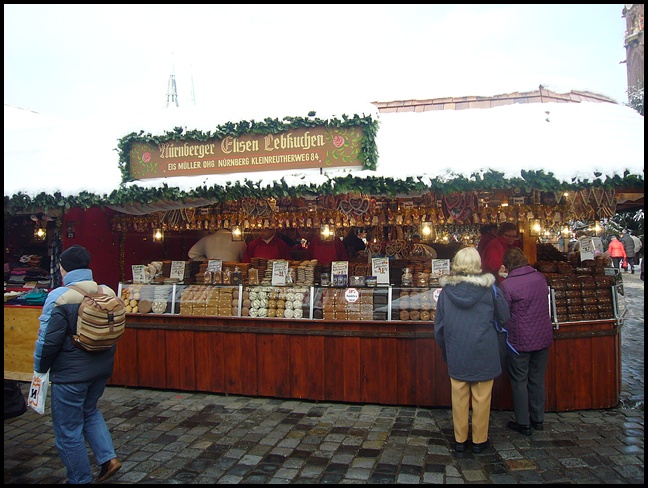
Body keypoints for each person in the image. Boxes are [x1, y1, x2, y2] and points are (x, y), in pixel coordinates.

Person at [33, 245, 122, 484]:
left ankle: (79, 479)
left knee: (67, 430)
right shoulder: (107, 291)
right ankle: (108, 459)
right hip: (100, 368)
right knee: (90, 411)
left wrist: (39, 369)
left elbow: (48, 341)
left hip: (70, 374)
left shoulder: (59, 297)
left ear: (63, 267)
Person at [434, 247, 511, 454]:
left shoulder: (446, 292)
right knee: (482, 397)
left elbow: (439, 327)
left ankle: (460, 440)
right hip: (484, 349)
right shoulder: (489, 289)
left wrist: (446, 349)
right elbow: (504, 316)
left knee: (458, 398)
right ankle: (479, 440)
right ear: (478, 264)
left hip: (457, 349)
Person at [499, 247, 553, 436]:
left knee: (519, 380)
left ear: (507, 265)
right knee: (537, 379)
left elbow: (504, 314)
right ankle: (538, 419)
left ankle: (523, 422)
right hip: (543, 336)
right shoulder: (540, 278)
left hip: (519, 340)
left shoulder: (508, 285)